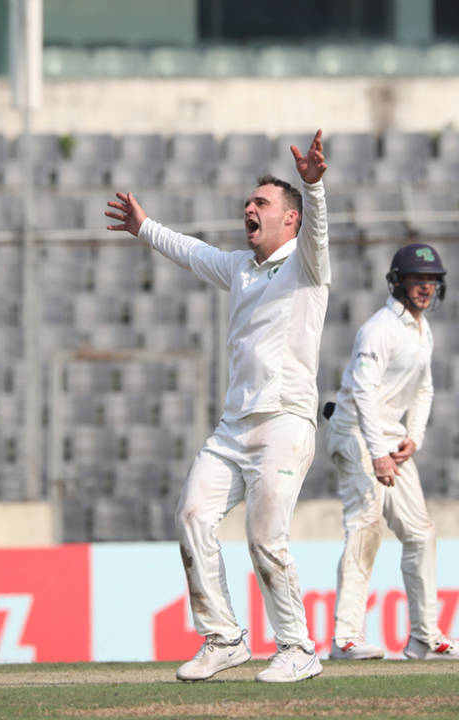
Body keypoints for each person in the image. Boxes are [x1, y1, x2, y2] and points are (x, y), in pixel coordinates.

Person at [105, 131, 330, 682]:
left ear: (290, 220)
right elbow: (192, 251)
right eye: (248, 204)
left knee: (264, 537)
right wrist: (145, 228)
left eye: (263, 204)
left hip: (284, 422)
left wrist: (312, 186)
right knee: (192, 516)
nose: (249, 209)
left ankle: (298, 648)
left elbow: (320, 233)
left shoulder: (307, 266)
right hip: (234, 428)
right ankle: (225, 637)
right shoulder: (239, 269)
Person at [323, 243, 459, 662]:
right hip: (355, 431)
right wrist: (377, 453)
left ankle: (425, 638)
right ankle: (346, 638)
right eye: (416, 279)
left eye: (431, 280)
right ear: (398, 282)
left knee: (420, 532)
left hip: (390, 439)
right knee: (365, 525)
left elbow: (424, 387)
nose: (425, 287)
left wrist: (415, 436)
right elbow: (364, 395)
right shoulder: (379, 329)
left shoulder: (423, 330)